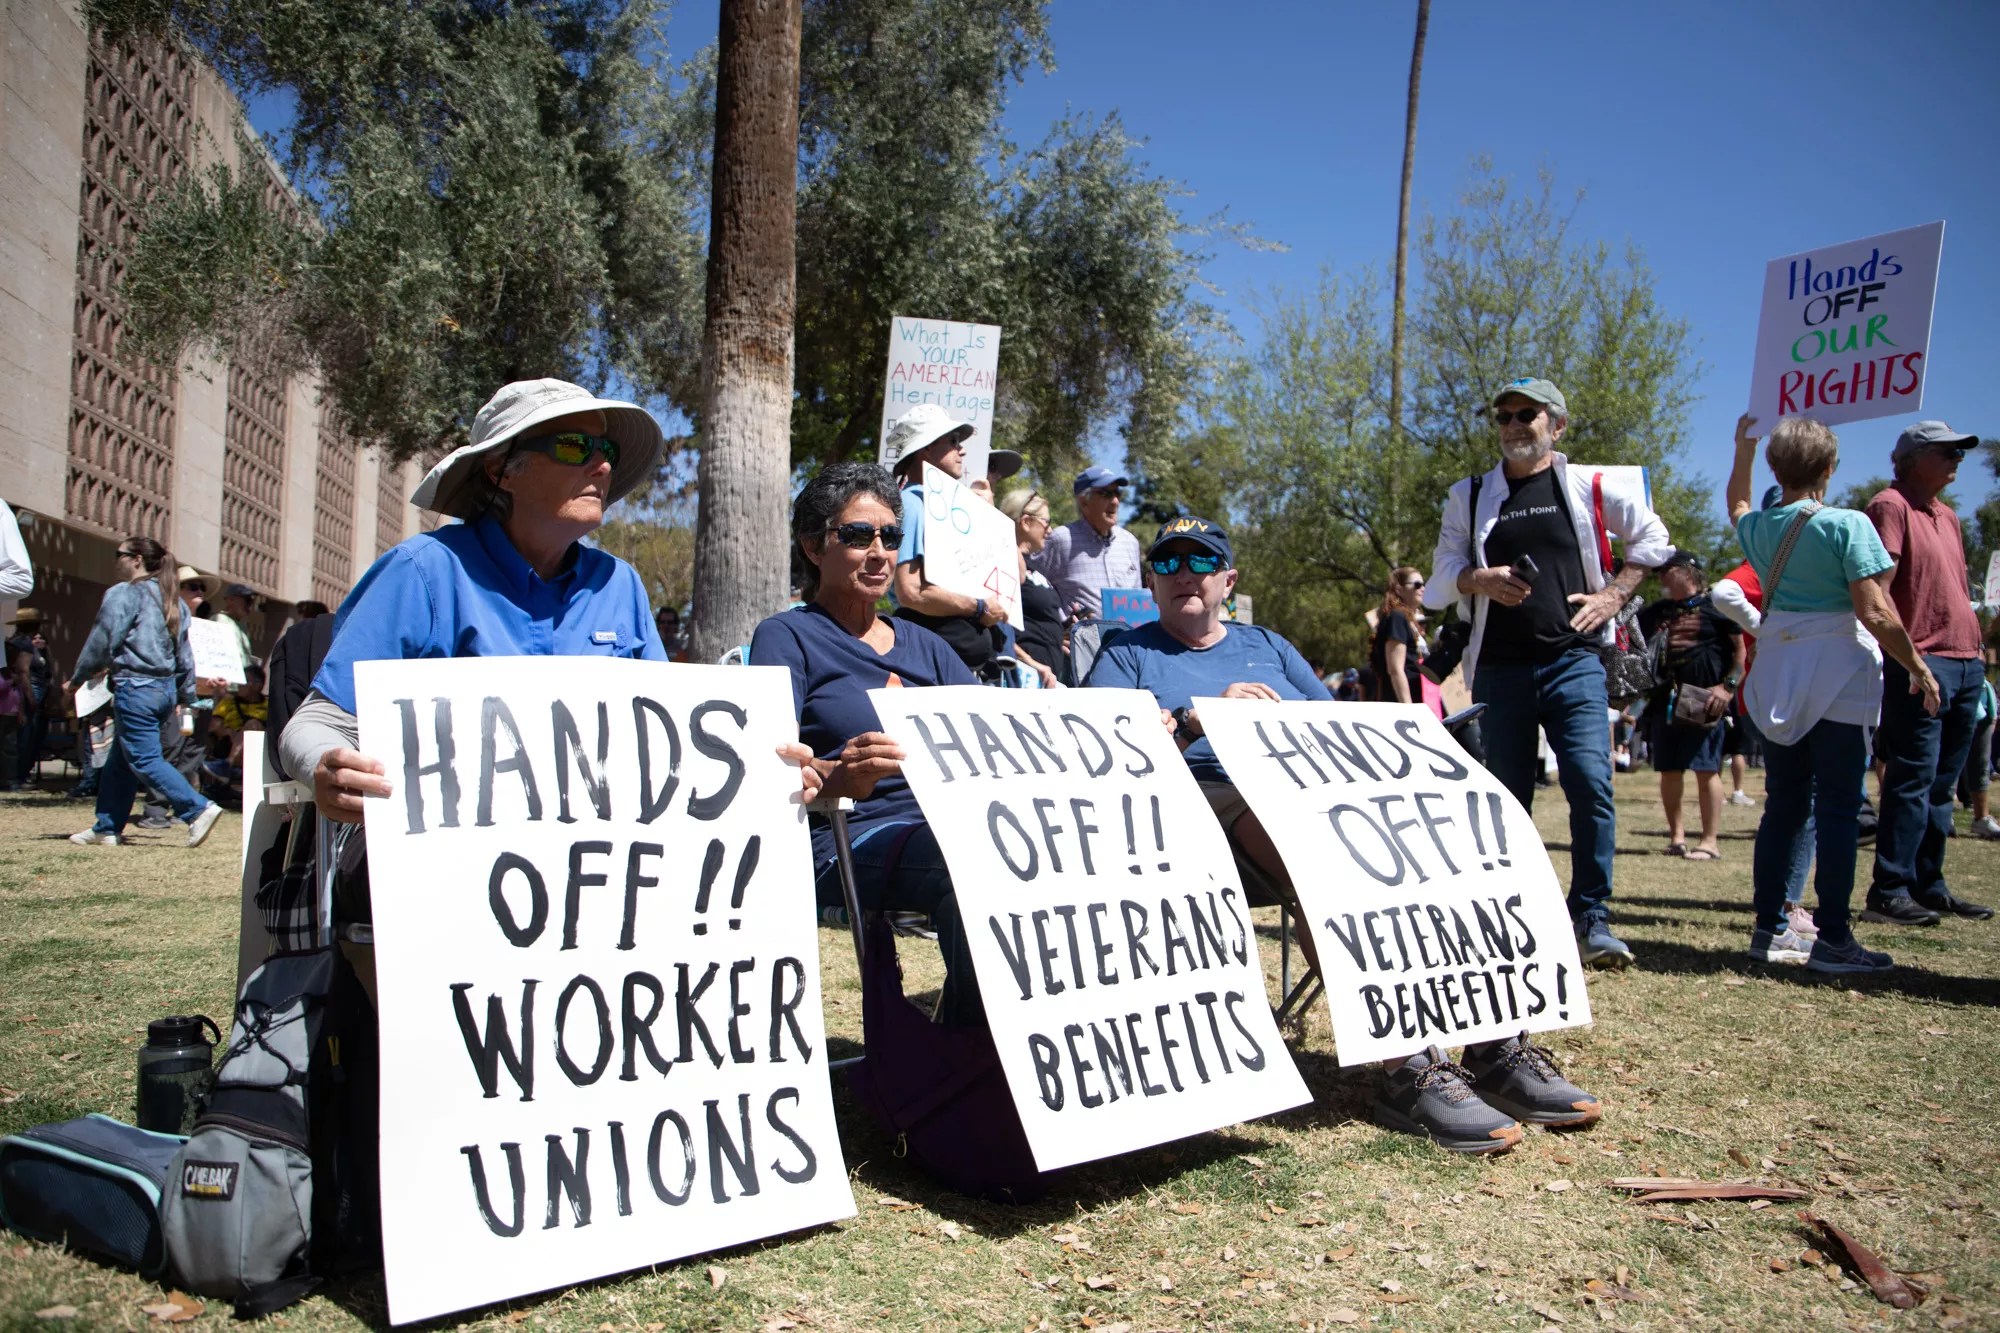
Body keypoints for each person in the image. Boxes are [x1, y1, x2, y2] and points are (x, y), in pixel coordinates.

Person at [1084, 515, 1599, 1151]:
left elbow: (1336, 727)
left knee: (1450, 847)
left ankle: (1495, 1048)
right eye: (1167, 563)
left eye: (1200, 562)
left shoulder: (1268, 645)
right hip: (1208, 796)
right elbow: (1098, 747)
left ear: (1228, 580)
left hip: (1309, 788)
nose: (1183, 574)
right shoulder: (1126, 652)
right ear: (1151, 581)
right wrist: (1195, 718)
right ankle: (1409, 1068)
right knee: (1327, 862)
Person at [278, 377, 818, 827]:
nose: (602, 467)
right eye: (574, 447)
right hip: (442, 873)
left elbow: (666, 742)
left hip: (598, 868)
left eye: (606, 451)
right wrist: (326, 766)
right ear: (500, 469)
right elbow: (314, 724)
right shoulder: (422, 572)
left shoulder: (620, 584)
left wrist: (764, 764)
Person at [1425, 377, 1672, 967]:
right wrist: (1479, 579)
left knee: (1590, 782)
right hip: (1499, 668)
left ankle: (1590, 916)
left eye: (1526, 414)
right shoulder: (1470, 493)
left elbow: (1654, 538)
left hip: (1574, 660)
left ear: (1557, 426)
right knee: (1507, 799)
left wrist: (1613, 595)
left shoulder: (1589, 485)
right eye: (1504, 415)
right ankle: (1513, 915)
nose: (1513, 425)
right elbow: (1440, 577)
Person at [749, 462, 986, 1025]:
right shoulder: (788, 636)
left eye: (891, 536)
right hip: (845, 835)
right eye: (857, 535)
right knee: (976, 869)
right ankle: (970, 1055)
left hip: (952, 825)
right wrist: (841, 776)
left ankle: (982, 1045)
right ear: (813, 546)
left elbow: (989, 733)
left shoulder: (927, 646)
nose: (879, 552)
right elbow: (765, 766)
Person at [1728, 414, 1939, 973]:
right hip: (1840, 671)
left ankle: (1769, 928)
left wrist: (1743, 448)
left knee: (1784, 804)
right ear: (1829, 467)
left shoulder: (1760, 528)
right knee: (1839, 809)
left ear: (1777, 469)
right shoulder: (1848, 524)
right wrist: (1918, 666)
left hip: (1780, 667)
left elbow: (1738, 503)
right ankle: (1835, 939)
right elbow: (1874, 611)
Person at [1860, 421, 1995, 924]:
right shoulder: (1890, 506)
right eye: (1947, 451)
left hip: (1966, 662)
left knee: (1942, 784)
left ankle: (1928, 885)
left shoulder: (1948, 516)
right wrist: (1910, 659)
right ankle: (1889, 890)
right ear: (1913, 459)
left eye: (1960, 452)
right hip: (1922, 661)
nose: (1958, 459)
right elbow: (1878, 590)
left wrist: (1978, 653)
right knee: (1912, 778)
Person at [63, 536, 222, 847]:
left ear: (136, 559)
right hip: (162, 692)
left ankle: (197, 808)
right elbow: (185, 658)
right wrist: (186, 696)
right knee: (121, 760)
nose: (115, 561)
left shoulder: (124, 593)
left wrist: (77, 679)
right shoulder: (174, 602)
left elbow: (101, 639)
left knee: (144, 758)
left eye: (119, 554)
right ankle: (107, 826)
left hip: (134, 687)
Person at [884, 404, 1007, 675]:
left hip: (955, 659)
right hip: (934, 664)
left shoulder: (939, 505)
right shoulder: (912, 503)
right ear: (926, 448)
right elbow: (911, 592)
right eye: (953, 441)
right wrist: (979, 608)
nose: (961, 450)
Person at [1637, 551, 1744, 861]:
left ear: (1686, 571)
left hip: (1704, 699)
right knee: (1669, 770)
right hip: (1664, 701)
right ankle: (1677, 837)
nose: (1661, 577)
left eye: (1666, 570)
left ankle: (1709, 841)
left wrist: (1727, 688)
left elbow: (1741, 654)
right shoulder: (1658, 611)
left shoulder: (1717, 608)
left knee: (1706, 769)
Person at [1032, 465, 1144, 622]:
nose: (1115, 502)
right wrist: (1058, 626)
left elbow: (1138, 599)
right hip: (1080, 637)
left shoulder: (1130, 543)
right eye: (1106, 494)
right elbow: (1028, 588)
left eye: (1117, 493)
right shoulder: (1061, 540)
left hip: (1128, 636)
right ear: (1084, 501)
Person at [998, 488, 1065, 687]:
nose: (1050, 530)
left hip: (1046, 678)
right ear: (1026, 522)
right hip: (1023, 678)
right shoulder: (1002, 562)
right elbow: (996, 625)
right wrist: (1031, 663)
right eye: (1046, 522)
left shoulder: (1034, 567)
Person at [6, 608, 55, 787]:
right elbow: (23, 672)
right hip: (28, 694)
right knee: (26, 737)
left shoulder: (15, 642)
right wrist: (30, 697)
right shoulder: (24, 644)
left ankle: (18, 775)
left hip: (24, 693)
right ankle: (19, 776)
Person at [1369, 567, 1428, 704]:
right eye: (1417, 585)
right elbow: (1395, 669)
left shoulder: (1409, 620)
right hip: (1402, 703)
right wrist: (1408, 708)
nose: (1423, 588)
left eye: (1423, 584)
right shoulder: (1397, 617)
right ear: (1399, 589)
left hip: (1421, 698)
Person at [1957, 676, 1999, 839]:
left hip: (1983, 699)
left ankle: (1982, 818)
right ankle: (1943, 818)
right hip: (1953, 695)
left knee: (1981, 766)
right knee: (1949, 764)